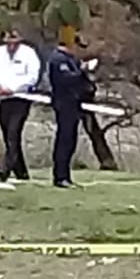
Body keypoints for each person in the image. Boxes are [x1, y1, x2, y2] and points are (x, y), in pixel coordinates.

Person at [0, 29, 41, 183]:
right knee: (9, 136)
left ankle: (4, 172)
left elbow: (32, 77)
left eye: (15, 43)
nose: (12, 46)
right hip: (2, 100)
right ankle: (21, 172)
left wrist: (13, 88)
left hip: (20, 99)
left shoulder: (29, 54)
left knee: (13, 134)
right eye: (9, 43)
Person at [47, 35, 90, 189]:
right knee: (64, 140)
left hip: (73, 104)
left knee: (71, 140)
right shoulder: (59, 60)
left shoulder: (72, 60)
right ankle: (60, 176)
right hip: (63, 103)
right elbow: (65, 80)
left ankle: (66, 176)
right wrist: (82, 72)